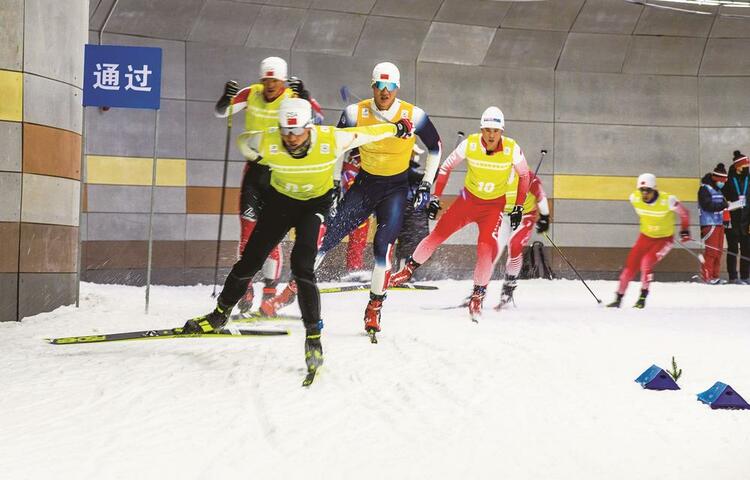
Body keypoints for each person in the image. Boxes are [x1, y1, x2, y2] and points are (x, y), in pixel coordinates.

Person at [182, 98, 414, 374]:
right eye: (286, 132)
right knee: (250, 261)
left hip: (313, 208)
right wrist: (258, 167)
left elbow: (368, 132)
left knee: (303, 268)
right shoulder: (269, 141)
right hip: (280, 203)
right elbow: (245, 142)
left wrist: (397, 128)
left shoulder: (331, 139)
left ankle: (313, 338)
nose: (291, 139)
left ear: (309, 127)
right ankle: (220, 314)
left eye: (297, 132)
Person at [262, 62, 442, 340]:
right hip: (365, 185)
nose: (384, 92)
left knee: (383, 248)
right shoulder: (355, 112)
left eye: (390, 87)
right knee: (326, 238)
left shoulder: (413, 115)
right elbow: (335, 145)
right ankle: (290, 291)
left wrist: (427, 185)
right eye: (379, 86)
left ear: (397, 88)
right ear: (372, 87)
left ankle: (374, 306)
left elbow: (435, 147)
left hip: (394, 189)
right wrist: (334, 184)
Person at [389, 107, 530, 322]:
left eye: (495, 131)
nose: (491, 135)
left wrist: (519, 206)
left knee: (486, 249)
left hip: (493, 207)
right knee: (437, 235)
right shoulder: (471, 144)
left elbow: (524, 175)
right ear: (481, 129)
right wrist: (436, 197)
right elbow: (445, 168)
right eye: (487, 130)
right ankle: (408, 270)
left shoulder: (512, 149)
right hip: (468, 201)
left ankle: (477, 295)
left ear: (501, 131)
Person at [214, 56, 322, 317]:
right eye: (266, 79)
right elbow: (222, 111)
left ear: (283, 80)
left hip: (280, 173)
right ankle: (246, 288)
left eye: (275, 80)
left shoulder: (293, 96)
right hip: (254, 171)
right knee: (248, 232)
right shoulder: (251, 93)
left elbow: (317, 119)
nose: (270, 85)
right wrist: (225, 98)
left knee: (271, 235)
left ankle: (270, 291)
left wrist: (305, 96)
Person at [607, 173, 691, 309]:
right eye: (642, 190)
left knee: (646, 262)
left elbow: (684, 213)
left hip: (664, 240)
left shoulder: (668, 200)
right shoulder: (634, 198)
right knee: (629, 268)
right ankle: (618, 298)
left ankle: (642, 298)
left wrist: (685, 230)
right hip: (645, 238)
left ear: (655, 190)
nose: (645, 194)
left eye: (648, 191)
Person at [495, 170, 550, 308]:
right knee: (492, 250)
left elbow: (541, 196)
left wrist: (544, 217)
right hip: (503, 216)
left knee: (515, 246)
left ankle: (508, 287)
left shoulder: (529, 177)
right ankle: (477, 292)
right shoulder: (496, 173)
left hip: (524, 216)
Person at [722, 151, 750, 284]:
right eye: (744, 165)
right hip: (732, 220)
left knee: (746, 249)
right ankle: (733, 277)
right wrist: (728, 203)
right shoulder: (728, 180)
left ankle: (745, 276)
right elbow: (723, 197)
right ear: (738, 166)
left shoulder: (748, 179)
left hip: (747, 221)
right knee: (732, 249)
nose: (747, 167)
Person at [697, 163, 728, 284]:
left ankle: (715, 276)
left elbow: (722, 205)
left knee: (719, 252)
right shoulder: (704, 189)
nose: (723, 183)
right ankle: (707, 276)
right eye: (722, 181)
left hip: (719, 224)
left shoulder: (718, 190)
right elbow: (707, 205)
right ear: (716, 179)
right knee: (711, 252)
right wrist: (723, 205)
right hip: (709, 224)